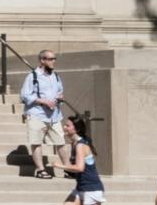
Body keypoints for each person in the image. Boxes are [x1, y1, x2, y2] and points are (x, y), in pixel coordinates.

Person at [22, 48, 68, 178]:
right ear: (42, 60)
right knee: (36, 142)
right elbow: (25, 95)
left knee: (61, 142)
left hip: (54, 116)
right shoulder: (33, 76)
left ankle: (68, 168)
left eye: (54, 59)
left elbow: (60, 91)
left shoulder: (56, 76)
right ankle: (40, 170)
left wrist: (60, 98)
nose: (54, 61)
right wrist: (42, 101)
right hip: (37, 114)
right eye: (51, 59)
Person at [66, 112, 107, 205]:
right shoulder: (74, 143)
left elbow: (80, 167)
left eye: (67, 125)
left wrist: (61, 165)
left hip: (91, 189)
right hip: (81, 187)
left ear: (77, 129)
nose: (64, 127)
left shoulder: (80, 145)